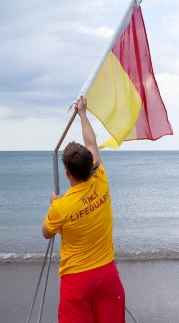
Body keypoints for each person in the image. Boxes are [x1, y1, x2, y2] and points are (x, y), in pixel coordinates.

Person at [42, 96, 125, 323]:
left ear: (67, 173)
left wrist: (53, 207)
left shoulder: (61, 206)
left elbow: (46, 232)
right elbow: (91, 144)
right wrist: (83, 114)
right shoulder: (101, 179)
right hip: (107, 275)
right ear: (91, 166)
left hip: (77, 281)